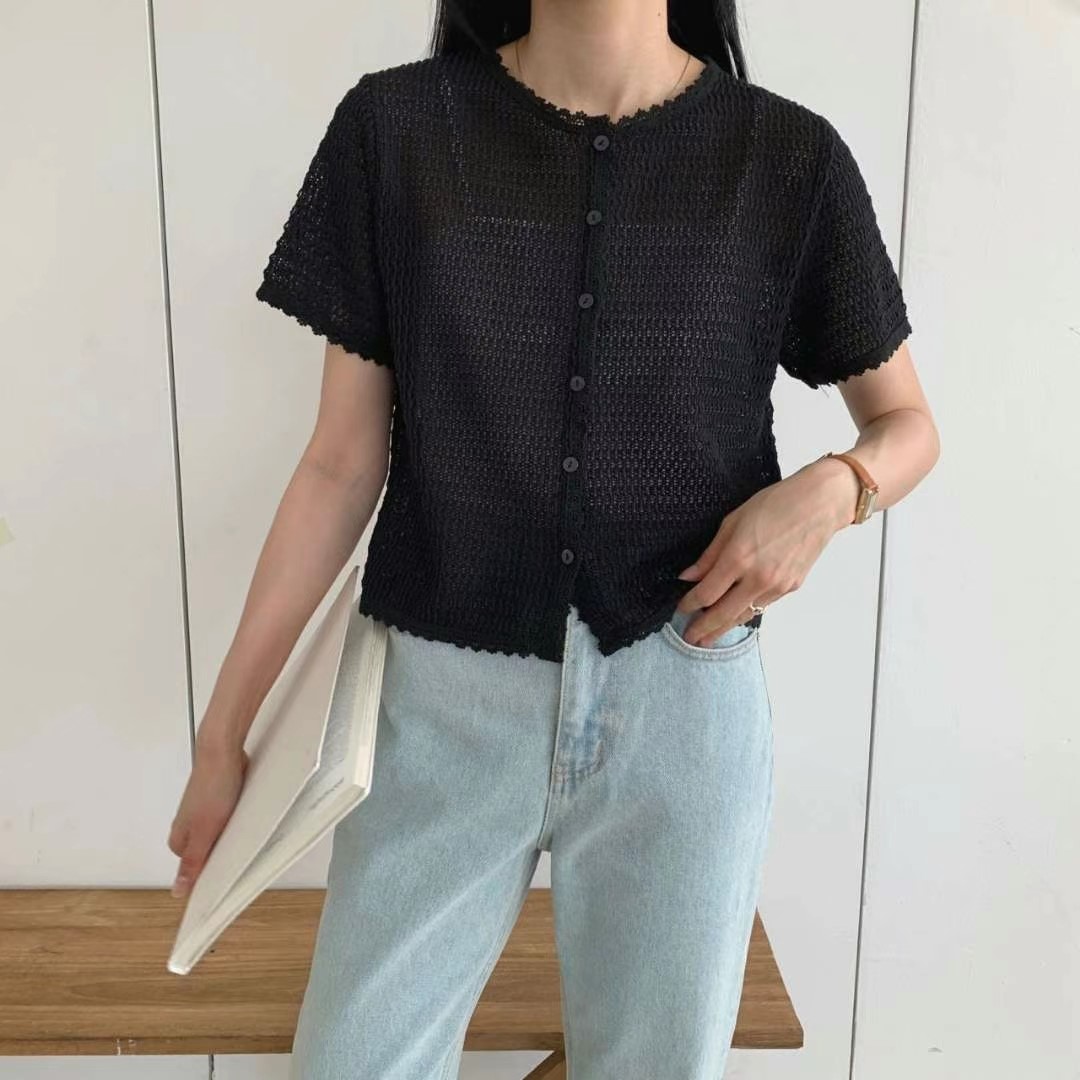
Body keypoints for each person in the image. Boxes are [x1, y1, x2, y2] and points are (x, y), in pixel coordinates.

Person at [168, 1, 940, 1076]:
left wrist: (830, 490)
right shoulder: (397, 132)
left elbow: (907, 428)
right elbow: (340, 465)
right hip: (439, 699)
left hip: (682, 702)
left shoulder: (786, 158)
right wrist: (222, 741)